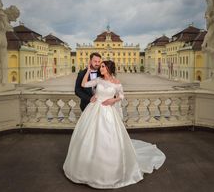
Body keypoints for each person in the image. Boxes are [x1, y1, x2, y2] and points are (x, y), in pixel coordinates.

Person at [63, 60, 166, 189]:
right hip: (94, 109)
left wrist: (113, 99)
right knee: (89, 138)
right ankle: (87, 169)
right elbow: (84, 84)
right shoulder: (98, 80)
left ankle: (110, 171)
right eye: (100, 67)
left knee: (109, 139)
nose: (101, 69)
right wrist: (89, 70)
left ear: (109, 68)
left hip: (108, 112)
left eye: (103, 67)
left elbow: (122, 95)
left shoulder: (116, 83)